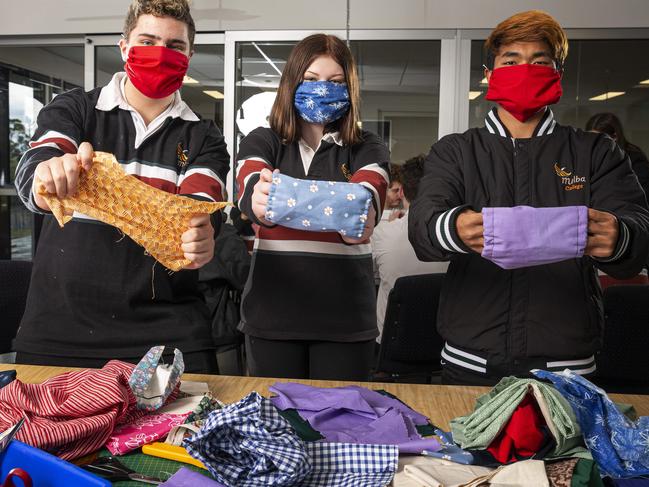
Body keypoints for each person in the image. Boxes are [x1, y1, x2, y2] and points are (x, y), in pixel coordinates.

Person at [409, 10, 649, 386]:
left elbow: (638, 239)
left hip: (567, 365)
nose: (526, 69)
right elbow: (423, 231)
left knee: (569, 448)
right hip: (471, 360)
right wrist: (454, 228)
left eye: (540, 62)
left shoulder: (595, 151)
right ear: (489, 74)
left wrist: (620, 237)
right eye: (511, 60)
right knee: (468, 447)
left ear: (557, 75)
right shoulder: (456, 151)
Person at [13, 0, 230, 373]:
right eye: (147, 41)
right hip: (60, 330)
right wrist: (50, 176)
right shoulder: (75, 109)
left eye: (175, 46)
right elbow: (37, 166)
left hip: (170, 336)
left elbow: (198, 209)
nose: (160, 53)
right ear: (124, 47)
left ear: (190, 54)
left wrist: (200, 237)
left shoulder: (204, 137)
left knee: (187, 432)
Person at [236, 34, 390, 381]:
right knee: (275, 426)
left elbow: (362, 215)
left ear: (349, 88)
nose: (323, 89)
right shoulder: (264, 139)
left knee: (341, 427)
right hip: (271, 318)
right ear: (292, 82)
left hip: (345, 322)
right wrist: (339, 204)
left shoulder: (368, 146)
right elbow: (253, 199)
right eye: (311, 80)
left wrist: (283, 198)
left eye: (336, 82)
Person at [372, 155, 448, 343]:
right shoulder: (454, 239)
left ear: (402, 192)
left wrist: (387, 227)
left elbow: (369, 275)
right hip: (440, 345)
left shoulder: (382, 233)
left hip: (390, 347)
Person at [586, 113, 649, 202]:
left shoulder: (635, 159)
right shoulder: (592, 157)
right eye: (590, 138)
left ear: (614, 137)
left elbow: (641, 195)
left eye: (599, 139)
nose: (594, 143)